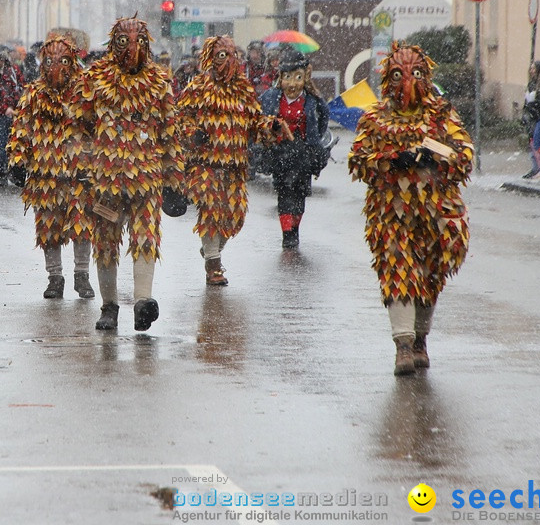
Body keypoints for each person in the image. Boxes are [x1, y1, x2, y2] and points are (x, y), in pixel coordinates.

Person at [348, 42, 473, 376]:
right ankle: (403, 346)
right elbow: (359, 161)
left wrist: (438, 155)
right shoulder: (374, 119)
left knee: (429, 277)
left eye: (417, 73)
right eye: (401, 74)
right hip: (391, 212)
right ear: (389, 78)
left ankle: (420, 339)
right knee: (398, 272)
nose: (409, 81)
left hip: (436, 213)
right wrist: (392, 160)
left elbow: (464, 155)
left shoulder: (442, 115)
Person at [66, 15, 183, 331]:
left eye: (138, 42)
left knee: (146, 237)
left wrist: (174, 179)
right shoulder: (95, 79)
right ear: (112, 44)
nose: (131, 49)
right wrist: (81, 166)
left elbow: (169, 131)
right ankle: (109, 306)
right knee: (105, 241)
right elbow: (78, 126)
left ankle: (143, 301)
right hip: (105, 179)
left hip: (147, 177)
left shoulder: (159, 82)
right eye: (123, 42)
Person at [176, 35, 287, 285]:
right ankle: (213, 265)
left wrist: (273, 126)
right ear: (211, 58)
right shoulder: (198, 87)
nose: (228, 61)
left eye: (232, 55)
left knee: (235, 216)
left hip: (235, 165)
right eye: (222, 55)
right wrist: (193, 133)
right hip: (206, 164)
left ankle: (211, 249)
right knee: (211, 213)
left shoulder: (243, 90)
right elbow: (181, 118)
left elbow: (255, 121)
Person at [6, 33, 95, 300]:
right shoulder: (34, 94)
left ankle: (82, 274)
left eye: (63, 61)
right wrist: (18, 161)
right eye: (50, 61)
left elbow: (98, 127)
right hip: (45, 174)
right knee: (49, 227)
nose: (56, 67)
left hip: (79, 173)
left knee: (82, 224)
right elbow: (21, 129)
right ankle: (54, 277)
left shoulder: (85, 92)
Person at [260, 48, 332, 249]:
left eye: (297, 77)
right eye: (288, 78)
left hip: (303, 153)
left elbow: (322, 121)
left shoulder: (313, 101)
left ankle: (295, 227)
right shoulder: (271, 98)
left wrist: (313, 139)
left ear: (305, 77)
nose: (292, 84)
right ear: (281, 78)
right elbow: (259, 119)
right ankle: (287, 233)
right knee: (283, 192)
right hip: (280, 152)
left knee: (300, 193)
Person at [0, 43, 25, 184]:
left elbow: (21, 87)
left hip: (15, 113)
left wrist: (17, 105)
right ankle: (2, 171)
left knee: (15, 144)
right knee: (1, 144)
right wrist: (4, 108)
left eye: (2, 60)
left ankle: (13, 172)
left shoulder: (13, 71)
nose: (0, 63)